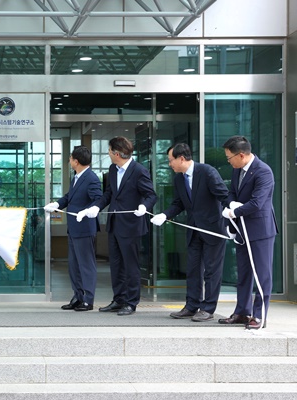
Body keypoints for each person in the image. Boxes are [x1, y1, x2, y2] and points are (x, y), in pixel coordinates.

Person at [150, 144, 229, 322]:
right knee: (193, 270)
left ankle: (208, 308)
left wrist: (232, 218)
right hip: (193, 230)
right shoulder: (179, 179)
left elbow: (223, 195)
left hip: (213, 229)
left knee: (211, 271)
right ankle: (191, 306)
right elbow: (179, 203)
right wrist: (165, 214)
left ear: (181, 159)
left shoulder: (207, 172)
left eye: (170, 160)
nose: (169, 164)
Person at [79, 136, 157, 316]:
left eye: (109, 150)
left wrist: (144, 207)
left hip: (131, 225)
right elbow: (108, 194)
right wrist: (96, 207)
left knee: (130, 266)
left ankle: (131, 302)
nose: (108, 153)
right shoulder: (113, 169)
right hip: (114, 224)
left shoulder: (139, 171)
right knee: (116, 265)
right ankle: (118, 299)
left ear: (117, 153)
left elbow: (151, 195)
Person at [219, 136, 278, 330]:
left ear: (241, 155)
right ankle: (242, 312)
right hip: (242, 230)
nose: (228, 161)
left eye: (229, 157)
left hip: (260, 230)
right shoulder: (237, 169)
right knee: (243, 274)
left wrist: (234, 212)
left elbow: (257, 203)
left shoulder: (263, 171)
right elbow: (231, 193)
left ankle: (259, 316)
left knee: (262, 275)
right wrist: (231, 205)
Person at [44, 145, 102, 311]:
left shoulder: (91, 178)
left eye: (70, 158)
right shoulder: (76, 177)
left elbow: (98, 199)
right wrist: (57, 204)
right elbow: (70, 197)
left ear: (76, 161)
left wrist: (89, 210)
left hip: (84, 228)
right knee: (74, 265)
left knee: (86, 265)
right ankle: (78, 296)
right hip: (74, 228)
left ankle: (88, 300)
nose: (69, 161)